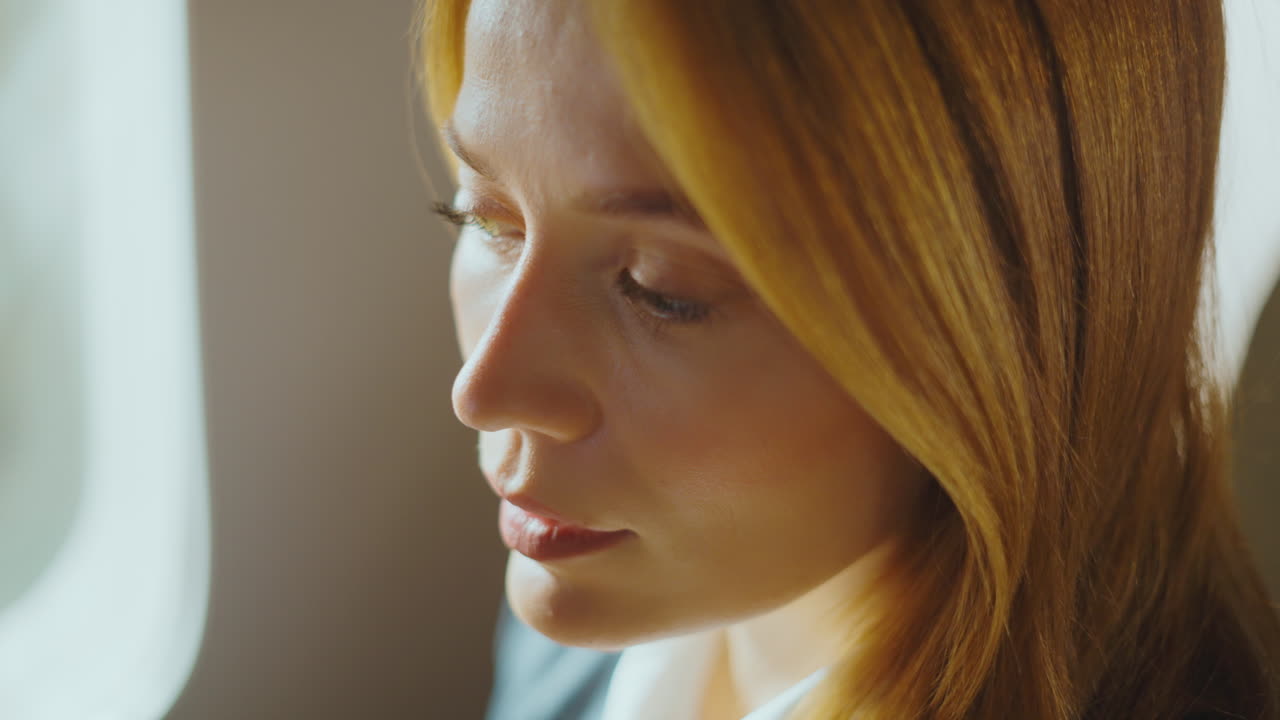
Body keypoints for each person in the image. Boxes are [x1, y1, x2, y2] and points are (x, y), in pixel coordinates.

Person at [419, 1, 1280, 718]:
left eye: (662, 286)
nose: (484, 392)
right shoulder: (591, 584)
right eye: (486, 219)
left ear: (1004, 313)